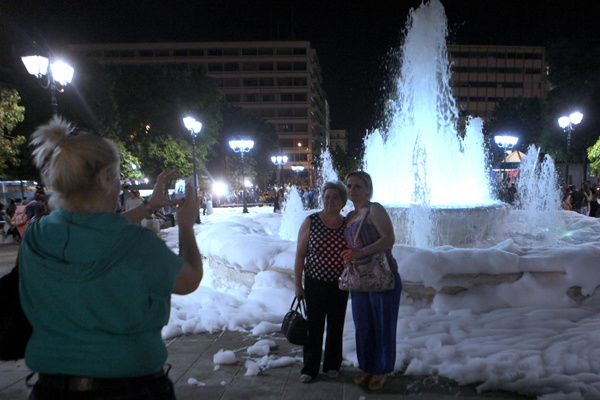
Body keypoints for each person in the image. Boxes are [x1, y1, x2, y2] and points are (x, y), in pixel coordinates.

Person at [19, 117, 203, 400]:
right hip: (131, 389)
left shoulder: (36, 236)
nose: (120, 184)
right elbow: (189, 278)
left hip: (52, 390)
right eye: (117, 176)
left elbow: (94, 228)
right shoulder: (140, 246)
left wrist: (148, 205)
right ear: (105, 178)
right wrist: (186, 225)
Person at [341, 171, 402, 391]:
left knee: (383, 326)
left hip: (382, 276)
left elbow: (389, 238)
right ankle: (367, 365)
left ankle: (382, 369)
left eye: (357, 186)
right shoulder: (350, 216)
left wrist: (361, 252)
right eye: (349, 186)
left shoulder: (375, 209)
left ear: (368, 188)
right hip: (359, 280)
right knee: (363, 326)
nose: (352, 190)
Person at [294, 181, 349, 383]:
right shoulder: (311, 221)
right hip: (314, 282)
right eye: (326, 197)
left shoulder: (347, 225)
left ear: (343, 201)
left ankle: (332, 364)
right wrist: (298, 285)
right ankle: (309, 367)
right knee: (314, 326)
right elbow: (300, 255)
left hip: (339, 284)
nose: (330, 201)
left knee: (336, 325)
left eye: (335, 197)